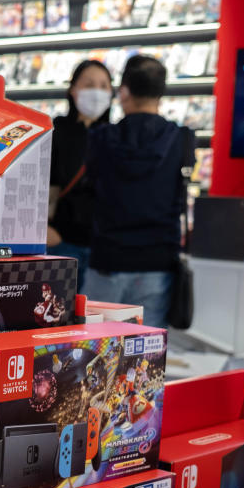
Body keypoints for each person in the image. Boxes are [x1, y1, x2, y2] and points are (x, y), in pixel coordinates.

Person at [83, 55, 194, 329]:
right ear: (160, 92)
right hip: (158, 262)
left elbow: (90, 190)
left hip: (107, 259)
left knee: (93, 351)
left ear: (124, 91)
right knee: (148, 356)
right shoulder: (182, 139)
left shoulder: (101, 137)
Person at [47, 59, 113, 291]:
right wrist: (42, 228)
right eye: (89, 84)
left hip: (102, 250)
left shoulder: (115, 135)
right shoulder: (56, 130)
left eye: (104, 85)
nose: (97, 91)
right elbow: (39, 184)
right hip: (61, 243)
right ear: (73, 90)